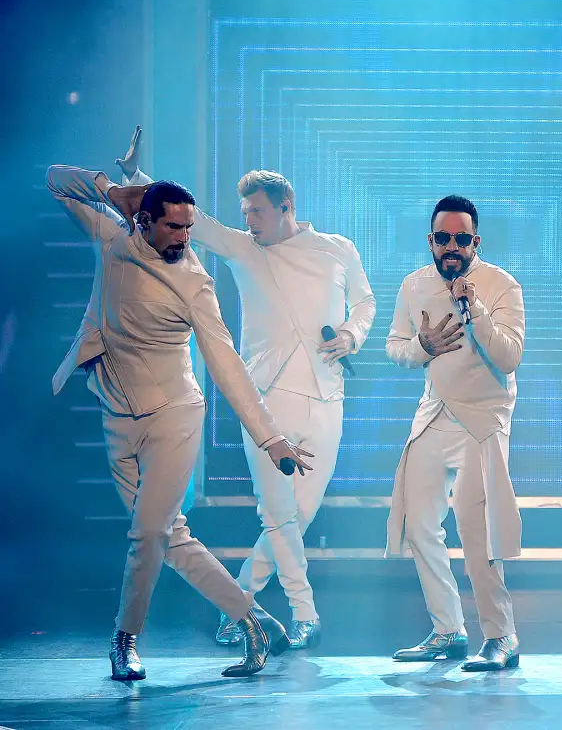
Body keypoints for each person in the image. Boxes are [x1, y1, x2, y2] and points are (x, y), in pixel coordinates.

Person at [114, 126, 376, 649]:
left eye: (256, 210)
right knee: (277, 512)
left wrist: (350, 334)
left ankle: (240, 604)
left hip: (326, 390)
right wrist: (134, 177)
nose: (248, 220)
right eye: (245, 212)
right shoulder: (243, 248)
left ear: (286, 205)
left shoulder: (336, 247)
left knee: (300, 512)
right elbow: (197, 223)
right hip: (266, 398)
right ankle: (304, 613)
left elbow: (366, 302)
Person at [47, 164, 312, 680]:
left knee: (147, 536)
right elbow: (56, 180)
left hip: (175, 417)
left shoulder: (195, 282)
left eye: (189, 228)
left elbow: (227, 364)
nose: (184, 238)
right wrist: (111, 190)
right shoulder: (111, 237)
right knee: (168, 538)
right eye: (174, 227)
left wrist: (271, 436)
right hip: (116, 418)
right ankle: (253, 619)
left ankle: (124, 640)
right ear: (142, 220)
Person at [385, 195, 524, 671]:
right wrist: (420, 347)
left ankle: (502, 637)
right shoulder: (414, 284)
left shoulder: (500, 285)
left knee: (475, 528)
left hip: (482, 419)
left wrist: (477, 308)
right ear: (430, 240)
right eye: (443, 238)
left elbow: (509, 358)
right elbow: (395, 345)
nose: (451, 246)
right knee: (419, 522)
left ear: (475, 242)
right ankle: (448, 629)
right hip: (434, 412)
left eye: (461, 239)